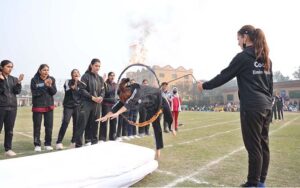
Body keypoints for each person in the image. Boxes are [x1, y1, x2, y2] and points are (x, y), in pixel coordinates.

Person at [197, 25, 273, 187]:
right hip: (266, 106)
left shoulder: (243, 57)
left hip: (252, 107)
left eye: (238, 39)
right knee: (263, 144)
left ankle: (253, 183)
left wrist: (204, 86)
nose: (237, 42)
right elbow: (270, 86)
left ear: (245, 37)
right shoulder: (266, 58)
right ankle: (260, 182)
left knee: (254, 146)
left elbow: (224, 76)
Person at [97, 78, 172, 159]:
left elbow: (129, 104)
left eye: (123, 98)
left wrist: (118, 113)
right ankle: (158, 149)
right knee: (156, 126)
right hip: (150, 107)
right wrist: (105, 116)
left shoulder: (136, 89)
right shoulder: (125, 96)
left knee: (169, 118)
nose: (123, 100)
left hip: (159, 100)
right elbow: (114, 108)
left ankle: (172, 127)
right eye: (121, 98)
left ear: (126, 91)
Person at [75, 58, 105, 147]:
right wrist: (92, 97)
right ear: (91, 65)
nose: (98, 68)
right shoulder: (85, 76)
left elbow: (103, 91)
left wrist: (101, 97)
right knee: (82, 124)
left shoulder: (100, 78)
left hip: (97, 105)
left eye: (99, 66)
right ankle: (78, 144)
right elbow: (82, 90)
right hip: (86, 104)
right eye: (96, 65)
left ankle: (94, 143)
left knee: (95, 124)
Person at [31, 64, 57, 152]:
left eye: (47, 70)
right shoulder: (34, 80)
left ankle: (48, 144)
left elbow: (53, 92)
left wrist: (49, 85)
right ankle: (37, 145)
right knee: (37, 126)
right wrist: (44, 85)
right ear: (39, 71)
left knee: (49, 126)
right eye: (44, 70)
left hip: (49, 106)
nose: (46, 72)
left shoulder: (51, 79)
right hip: (38, 106)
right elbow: (35, 93)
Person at [0, 60, 24, 157]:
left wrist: (18, 82)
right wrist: (1, 80)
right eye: (8, 66)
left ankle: (8, 149)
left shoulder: (13, 79)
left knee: (9, 129)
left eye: (11, 67)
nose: (10, 68)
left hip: (12, 107)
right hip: (1, 107)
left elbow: (17, 91)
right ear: (2, 67)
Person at [56, 69, 81, 150]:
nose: (76, 74)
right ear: (71, 75)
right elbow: (69, 89)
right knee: (65, 122)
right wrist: (75, 83)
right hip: (68, 106)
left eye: (77, 73)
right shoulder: (68, 81)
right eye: (74, 73)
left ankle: (73, 142)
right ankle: (59, 142)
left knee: (76, 124)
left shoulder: (82, 84)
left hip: (77, 106)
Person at [99, 72, 117, 141]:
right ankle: (102, 138)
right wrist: (102, 81)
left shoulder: (116, 84)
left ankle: (112, 138)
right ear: (108, 76)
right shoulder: (104, 84)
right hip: (106, 105)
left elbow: (118, 94)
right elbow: (103, 93)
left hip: (114, 106)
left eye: (113, 75)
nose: (112, 77)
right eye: (111, 76)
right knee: (104, 121)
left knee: (113, 122)